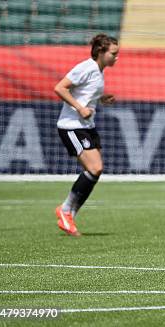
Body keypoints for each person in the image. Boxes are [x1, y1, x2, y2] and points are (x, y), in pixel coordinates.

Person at [54, 33, 119, 236]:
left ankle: (69, 213)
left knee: (95, 171)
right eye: (113, 54)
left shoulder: (98, 71)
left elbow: (85, 93)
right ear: (101, 52)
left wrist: (100, 99)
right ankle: (66, 211)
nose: (116, 58)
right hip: (72, 125)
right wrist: (80, 108)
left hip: (86, 126)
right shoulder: (86, 67)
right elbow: (60, 88)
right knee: (95, 167)